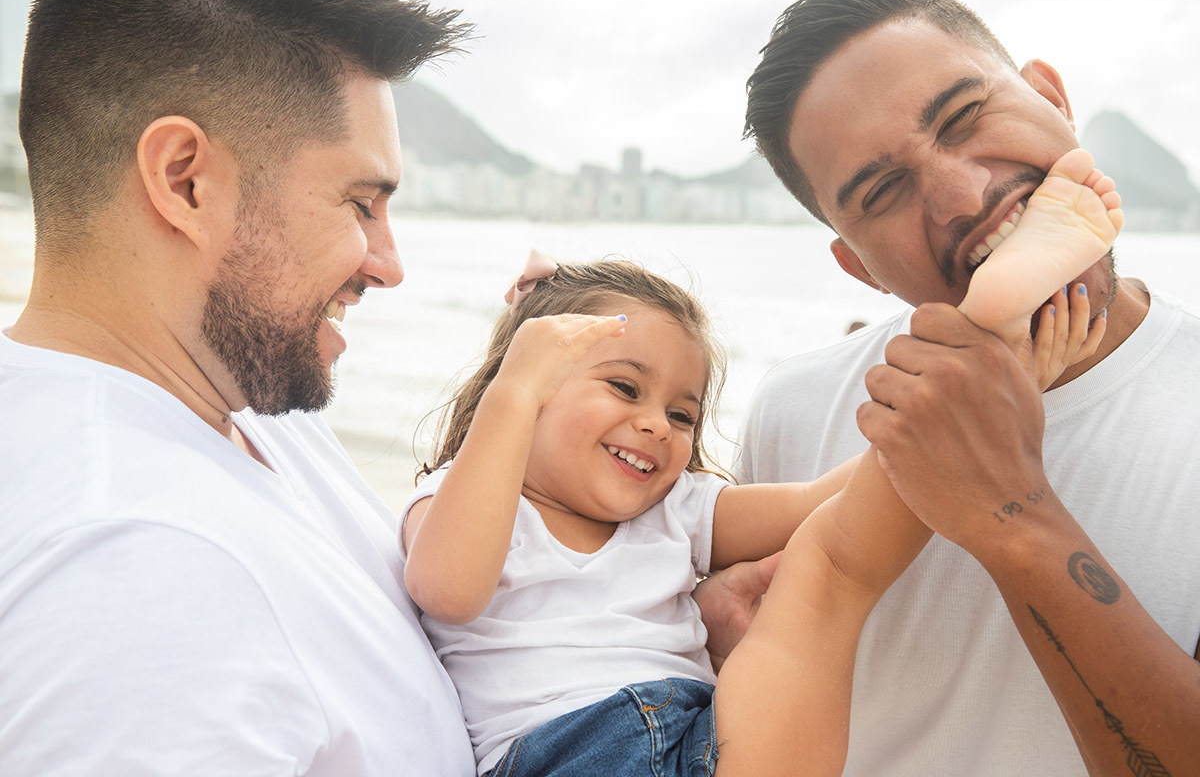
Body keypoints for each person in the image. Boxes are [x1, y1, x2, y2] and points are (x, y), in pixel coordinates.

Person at [401, 157, 1114, 777]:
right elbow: (449, 590)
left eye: (683, 414)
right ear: (523, 390)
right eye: (624, 387)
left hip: (716, 735)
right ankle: (983, 337)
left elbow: (824, 501)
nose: (656, 423)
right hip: (571, 752)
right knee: (829, 568)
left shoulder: (674, 508)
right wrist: (514, 390)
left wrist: (1005, 402)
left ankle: (986, 343)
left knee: (827, 557)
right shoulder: (465, 501)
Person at [0, 0, 483, 773]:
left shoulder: (243, 413)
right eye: (360, 203)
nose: (389, 266)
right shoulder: (137, 572)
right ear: (186, 180)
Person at [738, 0, 1200, 775]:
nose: (965, 195)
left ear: (1052, 97)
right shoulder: (796, 409)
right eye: (882, 191)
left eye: (963, 117)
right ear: (860, 268)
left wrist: (1007, 511)